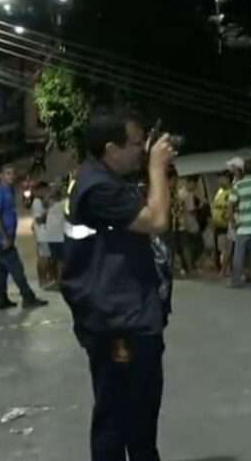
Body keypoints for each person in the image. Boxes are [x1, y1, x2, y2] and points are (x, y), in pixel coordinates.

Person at [60, 108, 175, 461]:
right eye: (137, 144)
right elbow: (156, 220)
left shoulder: (101, 179)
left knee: (128, 414)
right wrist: (157, 168)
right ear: (111, 148)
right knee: (126, 418)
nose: (143, 150)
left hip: (122, 313)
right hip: (119, 320)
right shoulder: (99, 187)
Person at [0, 164, 48, 310]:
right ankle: (28, 298)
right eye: (8, 173)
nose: (11, 176)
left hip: (6, 237)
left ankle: (1, 300)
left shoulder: (9, 190)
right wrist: (4, 237)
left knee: (2, 270)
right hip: (2, 238)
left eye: (13, 173)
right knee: (17, 268)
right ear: (1, 175)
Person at [31, 182, 54, 290]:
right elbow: (39, 219)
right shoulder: (37, 202)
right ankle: (43, 280)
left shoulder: (41, 201)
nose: (47, 192)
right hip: (43, 235)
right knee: (43, 258)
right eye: (45, 190)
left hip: (45, 234)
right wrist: (49, 210)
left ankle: (47, 280)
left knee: (46, 257)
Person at [43, 184, 67, 289]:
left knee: (59, 260)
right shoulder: (52, 205)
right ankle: (57, 280)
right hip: (54, 237)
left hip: (58, 237)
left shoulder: (63, 204)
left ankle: (60, 281)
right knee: (56, 260)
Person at [210, 171, 233, 275]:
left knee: (226, 247)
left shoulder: (232, 191)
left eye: (222, 178)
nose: (219, 181)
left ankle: (225, 268)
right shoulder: (219, 192)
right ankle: (223, 267)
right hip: (218, 224)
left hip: (226, 224)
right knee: (220, 247)